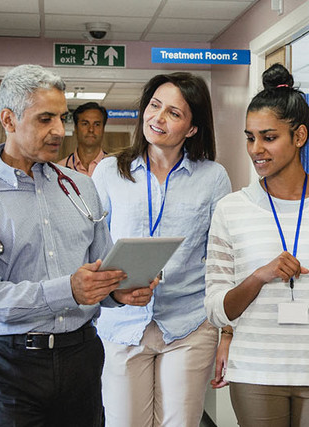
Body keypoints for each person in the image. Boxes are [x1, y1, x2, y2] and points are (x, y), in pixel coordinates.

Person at [0, 64, 153, 426]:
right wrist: (67, 289)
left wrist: (117, 293)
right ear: (9, 119)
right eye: (45, 119)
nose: (59, 130)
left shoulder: (81, 188)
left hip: (81, 357)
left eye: (61, 117)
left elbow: (99, 272)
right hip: (9, 365)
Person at [204, 63, 309, 427]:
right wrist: (259, 276)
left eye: (269, 137)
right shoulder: (230, 209)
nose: (256, 150)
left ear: (299, 136)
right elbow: (217, 309)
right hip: (254, 372)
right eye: (250, 138)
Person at [91, 72, 232, 426]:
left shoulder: (213, 177)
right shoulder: (110, 171)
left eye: (173, 112)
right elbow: (90, 244)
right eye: (154, 106)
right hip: (121, 323)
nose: (158, 118)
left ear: (192, 128)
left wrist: (227, 333)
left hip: (187, 322)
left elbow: (222, 258)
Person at [57, 101, 108, 176]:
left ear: (103, 129)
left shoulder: (116, 168)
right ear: (76, 128)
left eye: (97, 124)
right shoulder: (60, 169)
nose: (91, 129)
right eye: (85, 124)